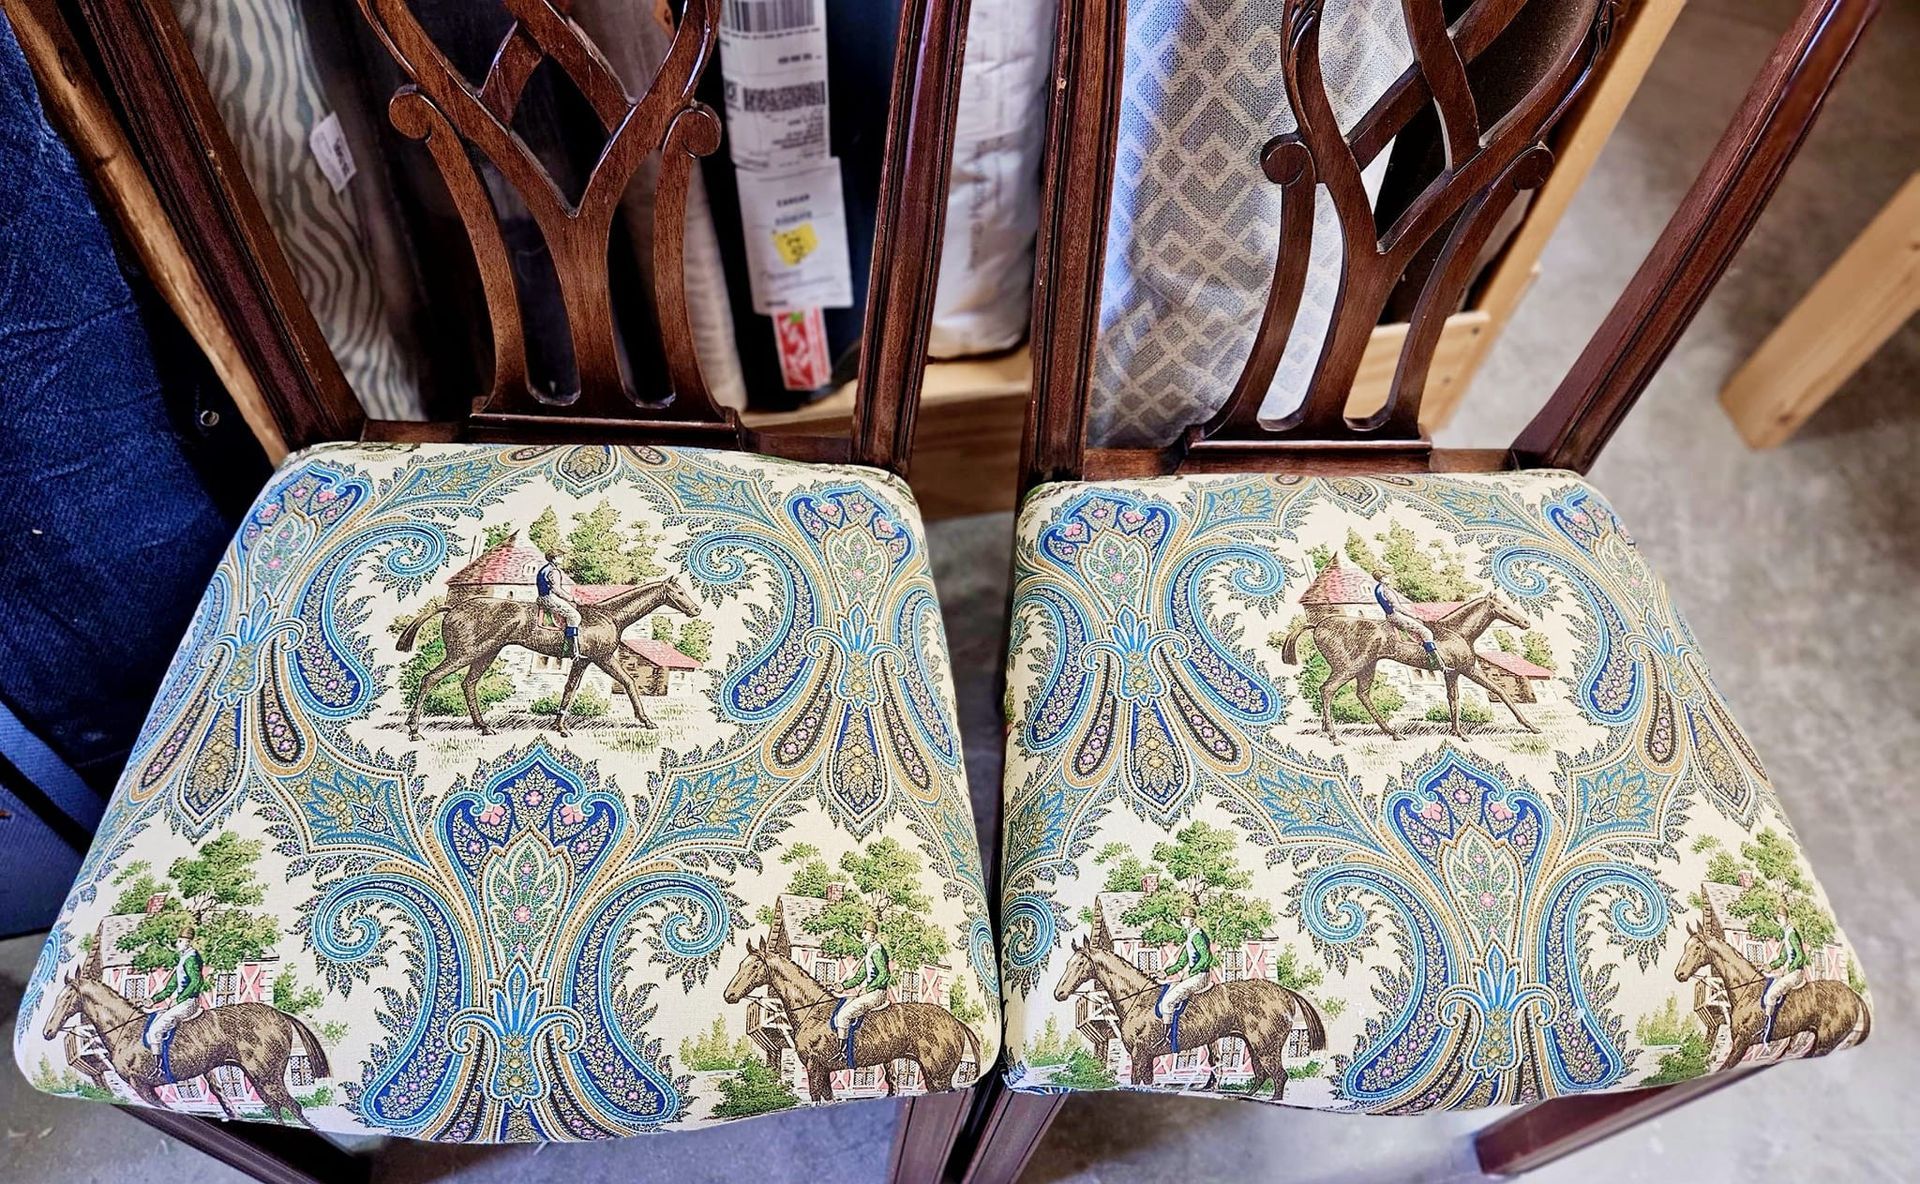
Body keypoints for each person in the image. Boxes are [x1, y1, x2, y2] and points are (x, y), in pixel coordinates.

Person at [143, 925, 207, 1070]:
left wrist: (179, 999)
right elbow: (170, 988)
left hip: (189, 1003)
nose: (177, 944)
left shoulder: (191, 959)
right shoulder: (183, 959)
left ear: (188, 942)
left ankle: (159, 1067)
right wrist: (153, 1000)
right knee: (157, 1017)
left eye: (180, 941)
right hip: (182, 1002)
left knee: (155, 1030)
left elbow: (197, 982)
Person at [833, 918, 892, 1062]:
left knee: (843, 1015)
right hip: (871, 992)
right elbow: (859, 977)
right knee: (843, 1007)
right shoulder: (870, 952)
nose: (862, 936)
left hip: (877, 994)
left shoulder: (877, 951)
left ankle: (844, 1052)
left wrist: (868, 988)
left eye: (865, 934)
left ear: (873, 935)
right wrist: (843, 986)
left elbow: (884, 975)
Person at [1154, 909, 1216, 1047]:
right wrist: (1165, 972)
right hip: (1195, 976)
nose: (1182, 922)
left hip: (1200, 977)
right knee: (1169, 989)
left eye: (1184, 919)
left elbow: (1206, 958)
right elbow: (1181, 963)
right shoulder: (1190, 937)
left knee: (1168, 1001)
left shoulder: (1197, 936)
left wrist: (1192, 971)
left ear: (1192, 920)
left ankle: (1168, 1037)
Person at [1760, 897, 1810, 1044]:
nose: (1779, 919)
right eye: (1778, 917)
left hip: (1795, 974)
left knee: (1770, 995)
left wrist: (1791, 967)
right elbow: (1782, 958)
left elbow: (1800, 956)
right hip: (1788, 972)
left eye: (1781, 917)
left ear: (1786, 918)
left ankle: (1768, 1028)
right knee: (1769, 982)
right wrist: (1770, 966)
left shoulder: (1792, 933)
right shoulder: (1785, 934)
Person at [1373, 575, 1440, 669]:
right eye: (1386, 576)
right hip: (1396, 615)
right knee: (1426, 632)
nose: (1389, 578)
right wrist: (1415, 615)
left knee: (1416, 629)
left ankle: (1422, 651)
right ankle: (1434, 661)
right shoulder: (1386, 591)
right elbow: (1398, 607)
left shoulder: (1378, 588)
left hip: (1390, 616)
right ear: (1382, 578)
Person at [536, 548, 582, 658]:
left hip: (542, 597)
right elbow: (557, 590)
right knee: (574, 616)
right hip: (549, 598)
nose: (562, 558)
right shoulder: (554, 571)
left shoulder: (544, 569)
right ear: (554, 558)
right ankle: (569, 648)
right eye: (560, 556)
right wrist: (572, 598)